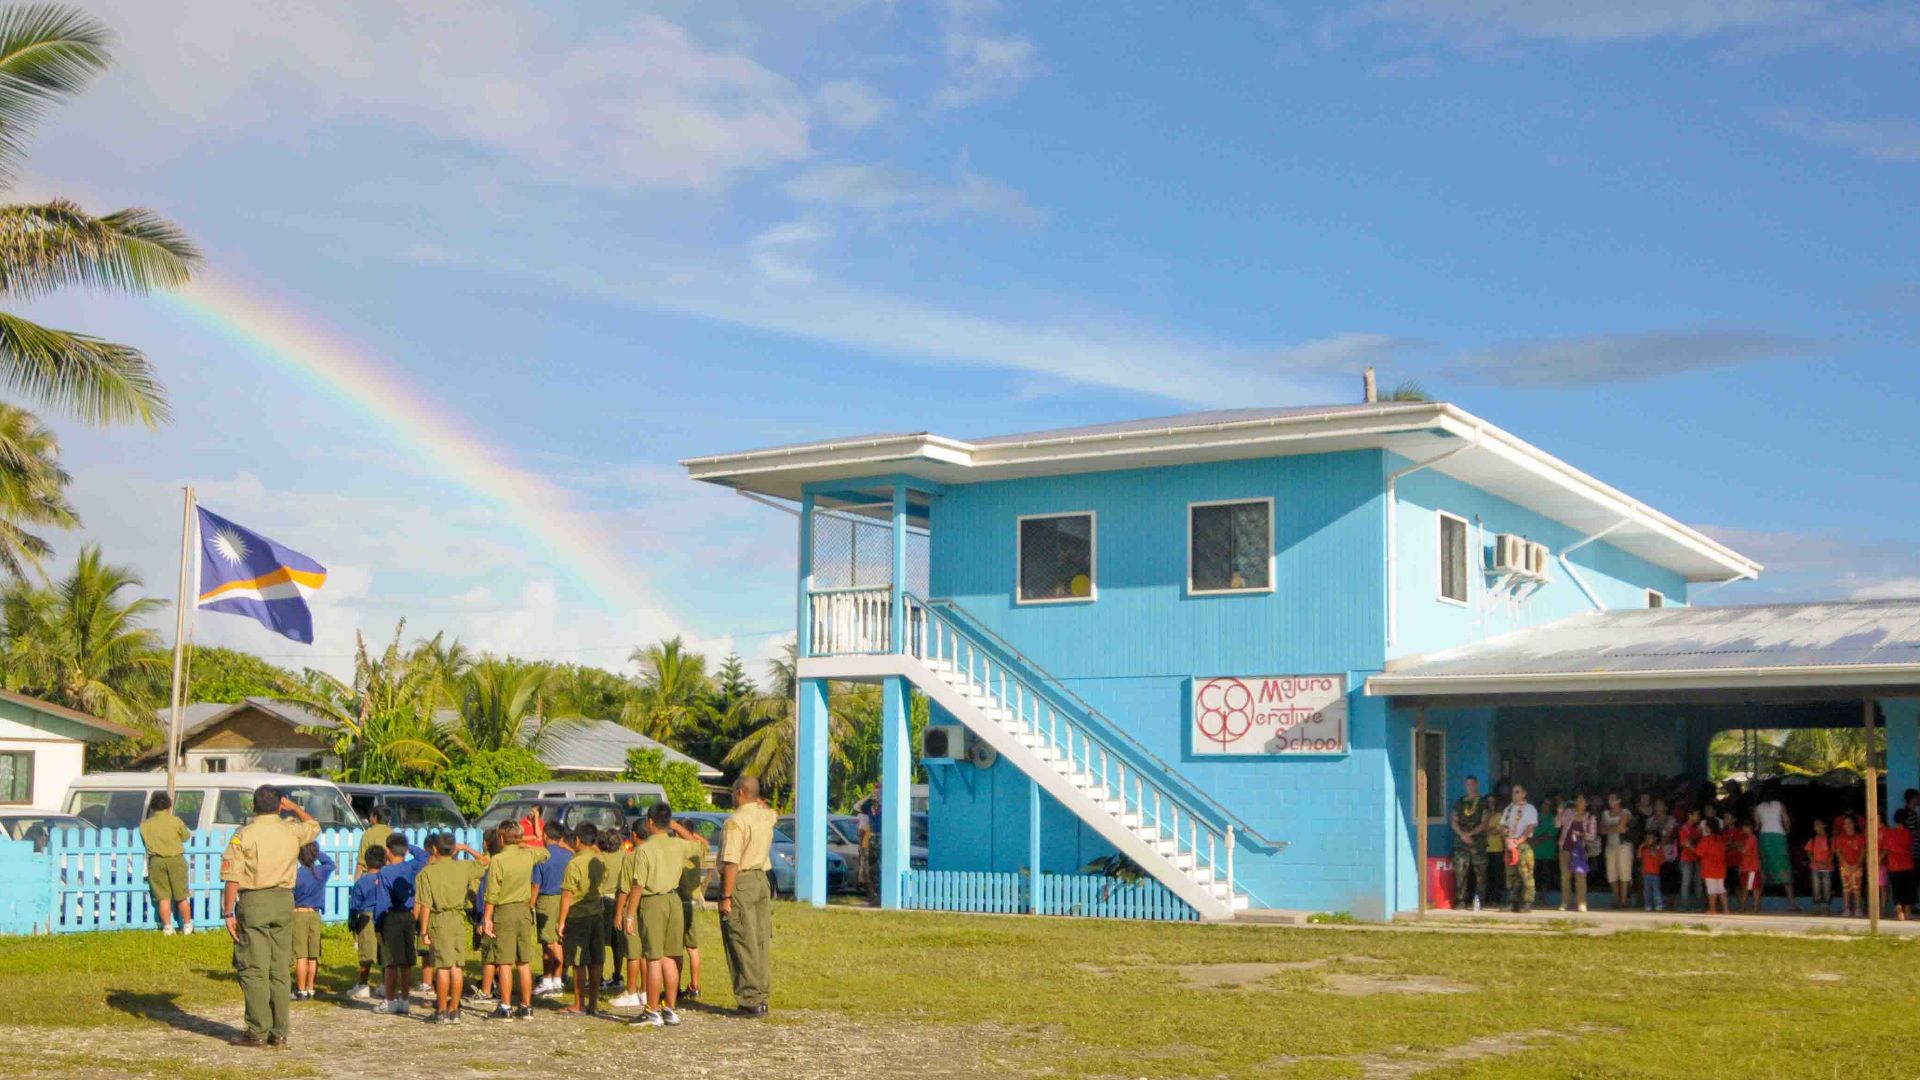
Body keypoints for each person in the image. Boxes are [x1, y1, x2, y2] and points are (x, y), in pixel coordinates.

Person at [218, 785, 320, 1048]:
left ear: (253, 806)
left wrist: (228, 912)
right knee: (279, 968)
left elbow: (232, 877)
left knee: (253, 968)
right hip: (285, 901)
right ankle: (279, 1031)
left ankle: (257, 1030)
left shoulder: (244, 835)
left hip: (254, 901)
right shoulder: (291, 830)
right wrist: (295, 808)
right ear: (279, 805)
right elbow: (315, 826)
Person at [621, 803, 698, 1027]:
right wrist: (675, 826)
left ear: (650, 822)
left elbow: (638, 884)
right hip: (674, 900)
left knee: (653, 958)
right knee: (670, 958)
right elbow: (695, 843)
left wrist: (629, 914)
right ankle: (670, 1009)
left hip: (652, 901)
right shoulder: (677, 845)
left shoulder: (644, 849)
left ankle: (652, 1010)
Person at [413, 832, 488, 1024]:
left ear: (435, 849)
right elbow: (485, 861)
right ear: (453, 849)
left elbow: (426, 904)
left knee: (443, 967)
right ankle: (455, 1009)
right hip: (458, 918)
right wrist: (468, 849)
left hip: (440, 919)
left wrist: (423, 930)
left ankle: (442, 1010)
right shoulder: (463, 867)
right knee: (456, 966)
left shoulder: (427, 873)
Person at [719, 775, 778, 1018]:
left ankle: (749, 997)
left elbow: (732, 862)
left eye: (734, 792)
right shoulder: (766, 816)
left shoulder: (735, 822)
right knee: (760, 939)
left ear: (741, 792)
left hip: (741, 881)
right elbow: (774, 813)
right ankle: (761, 994)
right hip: (761, 880)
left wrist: (725, 895)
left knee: (741, 939)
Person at [481, 818, 549, 1021]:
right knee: (523, 961)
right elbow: (546, 852)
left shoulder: (498, 860)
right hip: (524, 909)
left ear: (501, 838)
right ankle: (527, 1005)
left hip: (505, 910)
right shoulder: (528, 855)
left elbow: (492, 892)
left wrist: (487, 918)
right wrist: (524, 843)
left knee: (504, 961)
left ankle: (505, 1005)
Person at [557, 823, 608, 1017]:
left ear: (577, 840)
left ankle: (579, 1003)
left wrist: (561, 921)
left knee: (579, 962)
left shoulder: (574, 864)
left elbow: (567, 895)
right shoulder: (599, 861)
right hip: (597, 913)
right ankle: (593, 1003)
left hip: (578, 916)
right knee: (596, 960)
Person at [377, 833, 430, 1014]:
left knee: (391, 962)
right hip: (409, 915)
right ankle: (405, 999)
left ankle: (390, 1000)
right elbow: (424, 856)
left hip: (391, 916)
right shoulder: (412, 867)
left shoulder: (385, 872)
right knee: (407, 962)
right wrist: (409, 846)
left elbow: (382, 901)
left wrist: (378, 926)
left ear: (387, 851)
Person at [139, 792, 194, 936]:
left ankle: (168, 927)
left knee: (163, 897)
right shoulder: (175, 821)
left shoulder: (145, 825)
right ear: (169, 804)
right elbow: (186, 837)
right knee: (181, 895)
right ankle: (187, 925)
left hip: (156, 860)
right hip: (176, 859)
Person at [531, 813, 572, 996]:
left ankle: (550, 980)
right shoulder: (569, 856)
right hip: (565, 899)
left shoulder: (542, 857)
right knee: (559, 940)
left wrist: (531, 904)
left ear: (546, 835)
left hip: (546, 899)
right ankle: (558, 977)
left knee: (549, 943)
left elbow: (535, 884)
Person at [291, 842, 334, 1000]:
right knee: (313, 955)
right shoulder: (321, 872)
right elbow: (330, 863)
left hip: (299, 914)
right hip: (315, 914)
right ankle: (311, 988)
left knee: (301, 954)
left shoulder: (296, 874)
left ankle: (301, 990)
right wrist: (317, 852)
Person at [347, 846, 390, 1000]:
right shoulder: (387, 878)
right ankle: (386, 984)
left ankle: (363, 985)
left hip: (367, 917)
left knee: (366, 952)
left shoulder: (362, 882)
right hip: (386, 914)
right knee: (384, 950)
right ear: (384, 861)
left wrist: (352, 921)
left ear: (366, 862)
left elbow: (355, 904)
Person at [673, 816, 708, 1002]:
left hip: (679, 902)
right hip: (694, 902)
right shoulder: (697, 849)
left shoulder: (677, 848)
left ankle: (675, 986)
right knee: (692, 948)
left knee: (676, 949)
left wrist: (678, 829)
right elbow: (705, 842)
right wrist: (692, 834)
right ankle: (695, 986)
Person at [1449, 777, 1492, 912]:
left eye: (1472, 784)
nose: (1470, 787)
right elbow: (1454, 822)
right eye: (1468, 784)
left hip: (1477, 842)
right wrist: (1462, 834)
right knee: (1460, 870)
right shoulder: (1459, 802)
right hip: (1462, 843)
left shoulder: (1483, 802)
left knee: (1480, 872)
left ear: (1477, 785)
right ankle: (1461, 900)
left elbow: (1484, 823)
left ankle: (1479, 899)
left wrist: (1471, 834)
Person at [1752, 787, 1797, 912]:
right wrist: (1787, 831)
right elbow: (1786, 820)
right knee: (1784, 866)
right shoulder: (1780, 805)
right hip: (1778, 836)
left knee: (1764, 867)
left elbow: (1756, 825)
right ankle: (1792, 903)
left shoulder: (1758, 807)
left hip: (1765, 837)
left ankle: (1757, 904)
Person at [1499, 784, 1539, 913]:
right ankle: (1513, 902)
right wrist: (1507, 840)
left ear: (1524, 793)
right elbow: (1503, 826)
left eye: (1517, 792)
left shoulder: (1529, 809)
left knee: (1525, 874)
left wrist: (1517, 841)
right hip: (1510, 844)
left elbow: (1530, 828)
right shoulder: (1508, 809)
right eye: (1513, 792)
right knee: (1511, 875)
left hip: (1523, 845)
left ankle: (1526, 902)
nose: (1514, 794)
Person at [1557, 794, 1595, 913]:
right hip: (1565, 848)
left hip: (1580, 850)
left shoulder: (1590, 818)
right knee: (1565, 877)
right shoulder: (1569, 812)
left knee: (1580, 877)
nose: (1578, 803)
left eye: (1581, 801)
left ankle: (1581, 903)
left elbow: (1592, 835)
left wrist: (1581, 835)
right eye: (1577, 800)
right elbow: (1558, 824)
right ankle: (1565, 902)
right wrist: (1559, 813)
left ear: (1586, 803)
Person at [1600, 792, 1633, 909]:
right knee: (1611, 873)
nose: (1610, 802)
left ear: (1619, 800)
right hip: (1611, 845)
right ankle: (1617, 898)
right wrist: (1616, 828)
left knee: (1624, 872)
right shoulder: (1605, 813)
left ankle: (1623, 900)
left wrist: (1611, 828)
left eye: (1613, 799)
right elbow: (1602, 830)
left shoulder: (1625, 812)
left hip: (1624, 845)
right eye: (1609, 799)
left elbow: (1621, 827)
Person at [1883, 811, 1914, 921]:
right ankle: (1908, 911)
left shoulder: (1889, 833)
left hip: (1894, 866)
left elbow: (1886, 849)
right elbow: (1909, 846)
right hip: (1907, 865)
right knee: (1908, 889)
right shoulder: (1908, 833)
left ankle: (1899, 912)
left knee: (1897, 890)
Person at [1835, 815, 1867, 918]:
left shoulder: (1860, 837)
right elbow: (1838, 852)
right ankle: (1846, 908)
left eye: (1850, 823)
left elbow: (1863, 851)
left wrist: (1857, 864)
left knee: (1857, 888)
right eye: (1845, 824)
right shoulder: (1840, 838)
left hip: (1857, 866)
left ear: (1854, 824)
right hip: (1844, 867)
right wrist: (1845, 864)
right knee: (1846, 889)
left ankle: (1858, 908)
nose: (1848, 825)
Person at [1697, 819, 1729, 915]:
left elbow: (1699, 852)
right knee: (1721, 889)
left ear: (1709, 828)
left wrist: (1690, 846)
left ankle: (1712, 909)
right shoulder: (1721, 839)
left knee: (1711, 890)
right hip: (1720, 868)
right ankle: (1726, 909)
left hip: (1709, 868)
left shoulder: (1706, 840)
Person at [1531, 796, 1559, 905]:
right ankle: (1534, 895)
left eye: (1549, 805)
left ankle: (1543, 897)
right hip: (1535, 852)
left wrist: (1536, 841)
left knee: (1545, 874)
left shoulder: (1553, 818)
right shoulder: (1535, 817)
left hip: (1547, 851)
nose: (1546, 807)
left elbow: (1551, 834)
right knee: (1535, 874)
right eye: (1544, 804)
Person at [1675, 808, 1703, 912]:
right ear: (1690, 815)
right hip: (1686, 858)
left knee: (1698, 883)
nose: (1698, 817)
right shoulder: (1684, 828)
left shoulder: (1697, 829)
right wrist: (1696, 851)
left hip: (1696, 859)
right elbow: (1684, 844)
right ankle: (1684, 905)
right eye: (1697, 815)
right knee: (1686, 883)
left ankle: (1698, 906)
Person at [1806, 818, 1834, 915]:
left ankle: (1826, 908)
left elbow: (1833, 853)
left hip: (1827, 868)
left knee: (1827, 888)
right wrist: (1815, 862)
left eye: (1818, 824)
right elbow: (1809, 853)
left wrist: (1826, 863)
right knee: (1816, 887)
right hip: (1815, 868)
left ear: (1824, 825)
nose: (1816, 827)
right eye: (1815, 825)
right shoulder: (1813, 839)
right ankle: (1817, 908)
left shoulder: (1830, 839)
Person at [357, 806, 393, 872]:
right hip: (389, 873)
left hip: (371, 874)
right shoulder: (392, 833)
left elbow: (361, 861)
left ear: (375, 817)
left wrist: (356, 879)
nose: (369, 818)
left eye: (371, 815)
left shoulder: (368, 834)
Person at [1638, 831, 1665, 912]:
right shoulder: (1644, 849)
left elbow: (1662, 860)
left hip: (1655, 874)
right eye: (1647, 838)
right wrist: (1640, 847)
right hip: (1646, 873)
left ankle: (1658, 905)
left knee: (1656, 890)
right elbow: (1639, 857)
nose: (1648, 840)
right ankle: (1648, 905)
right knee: (1647, 891)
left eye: (1650, 838)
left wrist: (1655, 855)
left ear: (1655, 839)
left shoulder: (1658, 849)